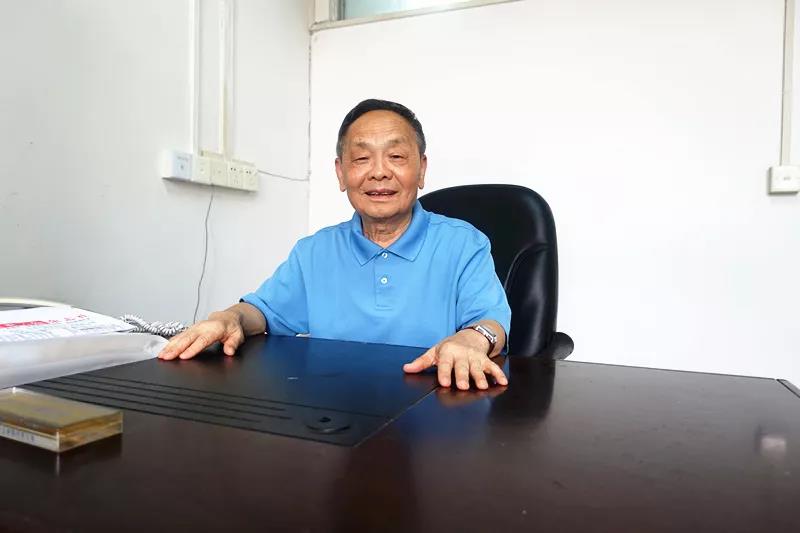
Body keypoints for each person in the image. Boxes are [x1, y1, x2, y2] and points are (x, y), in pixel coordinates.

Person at [159, 99, 511, 390]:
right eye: (361, 159)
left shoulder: (463, 243)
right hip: (339, 410)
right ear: (341, 174)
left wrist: (472, 339)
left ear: (421, 169)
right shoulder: (315, 252)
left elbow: (491, 323)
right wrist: (228, 317)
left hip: (434, 410)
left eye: (397, 157)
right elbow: (262, 311)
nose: (379, 172)